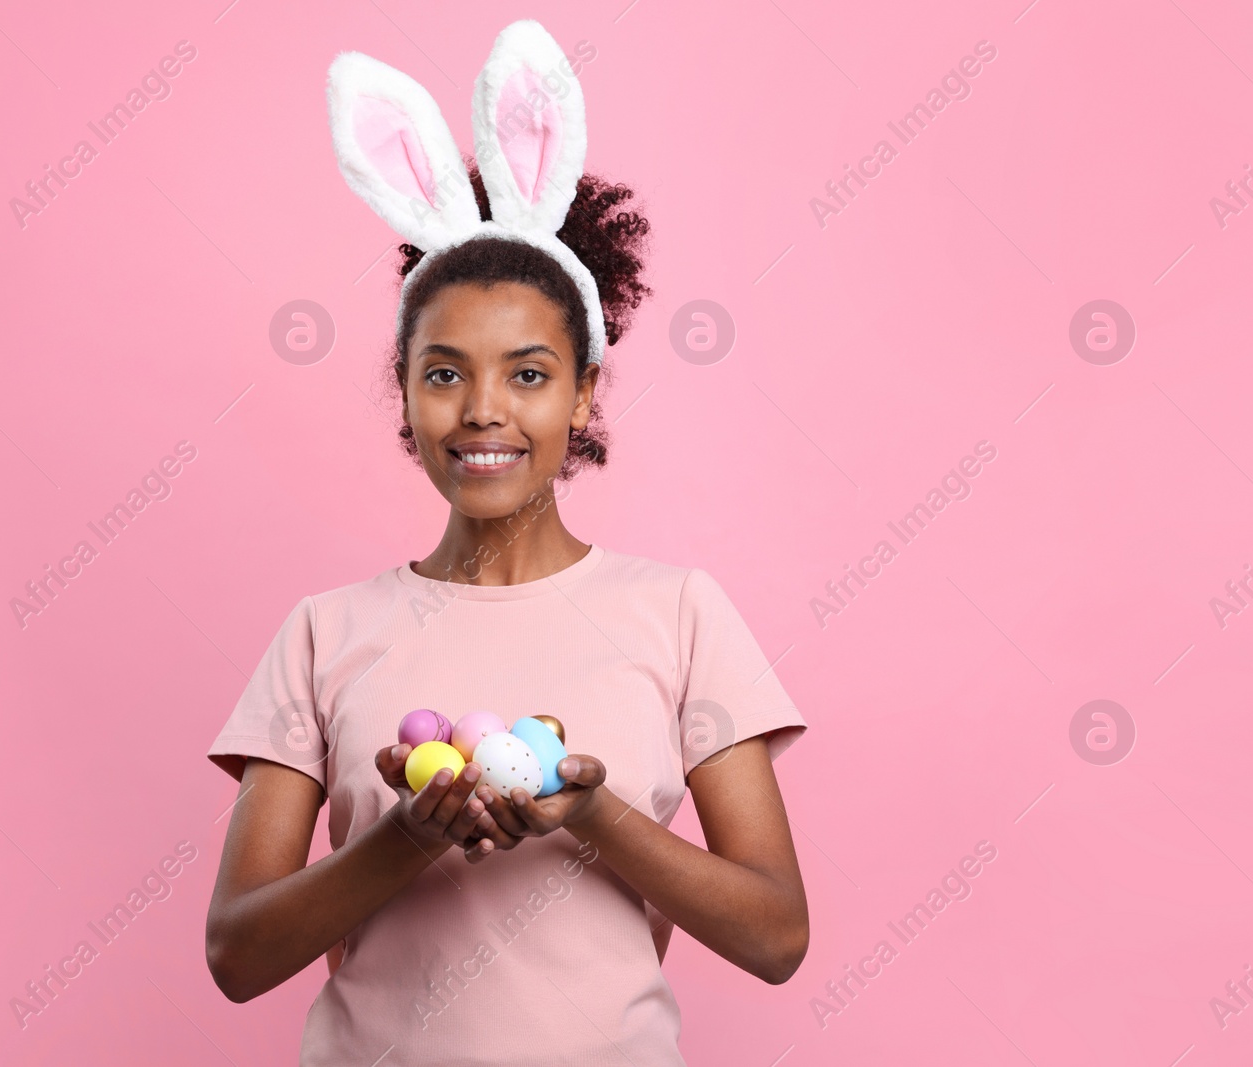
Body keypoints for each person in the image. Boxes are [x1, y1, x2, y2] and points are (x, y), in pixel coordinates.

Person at [203, 21, 809, 1064]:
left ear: (582, 394)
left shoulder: (679, 613)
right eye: (445, 373)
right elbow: (237, 951)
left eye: (527, 373)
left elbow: (774, 932)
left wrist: (588, 812)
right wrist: (410, 834)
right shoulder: (324, 630)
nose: (484, 409)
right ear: (405, 391)